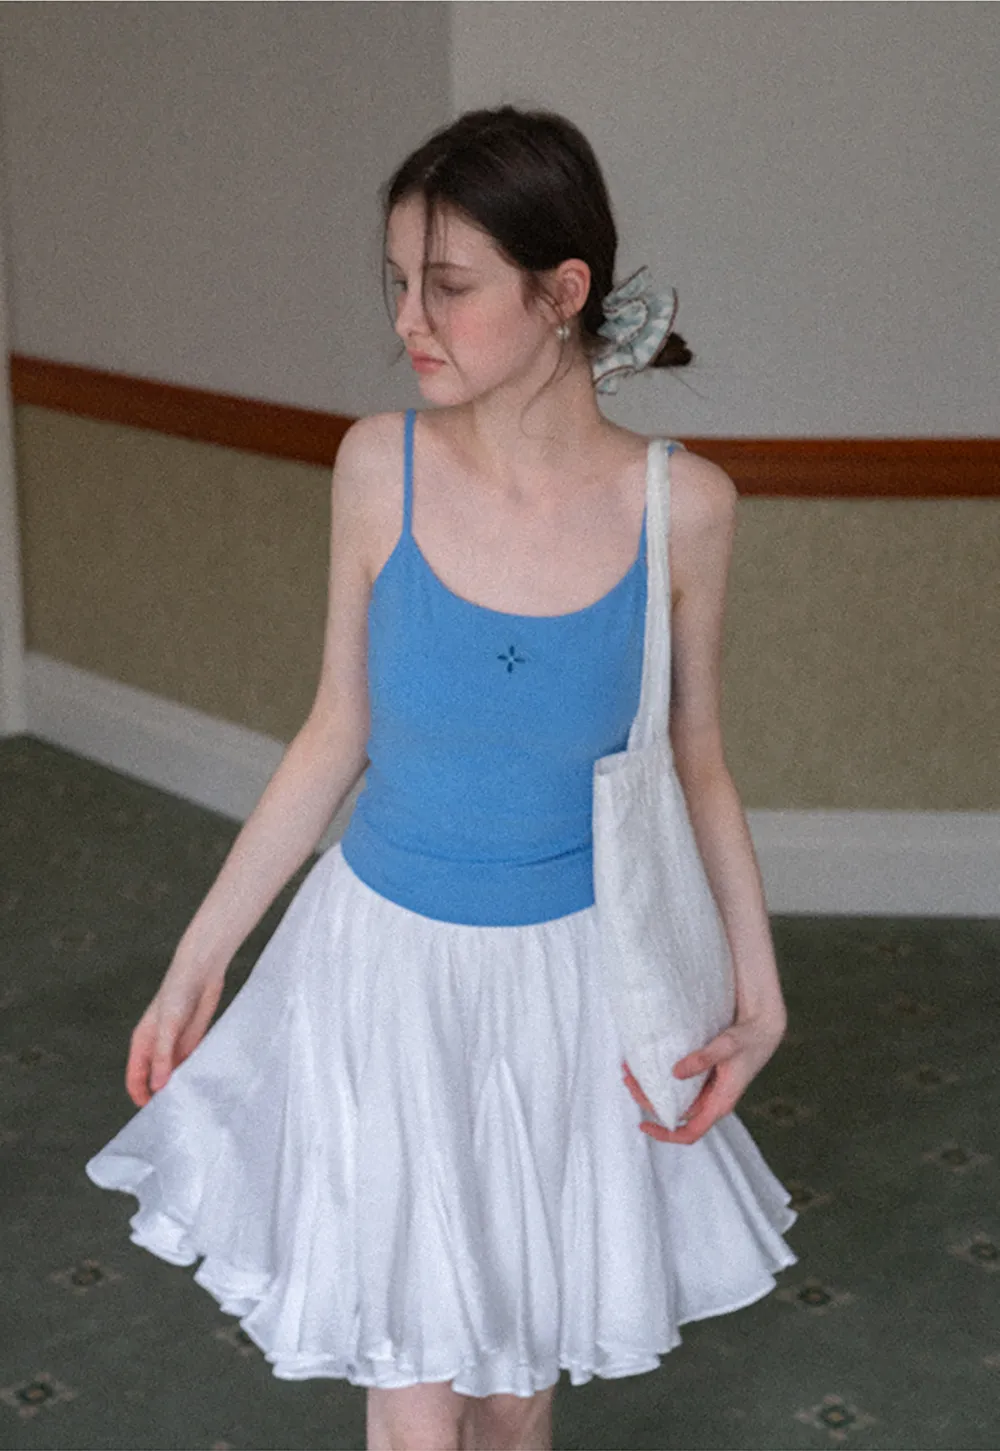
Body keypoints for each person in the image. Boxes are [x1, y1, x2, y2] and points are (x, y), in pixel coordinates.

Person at [86, 105, 796, 1451]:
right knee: (416, 1399)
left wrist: (757, 990)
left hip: (571, 993)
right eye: (397, 284)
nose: (409, 316)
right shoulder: (376, 466)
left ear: (561, 292)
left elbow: (693, 761)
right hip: (385, 979)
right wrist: (202, 953)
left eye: (449, 286)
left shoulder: (683, 507)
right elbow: (332, 731)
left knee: (512, 1391)